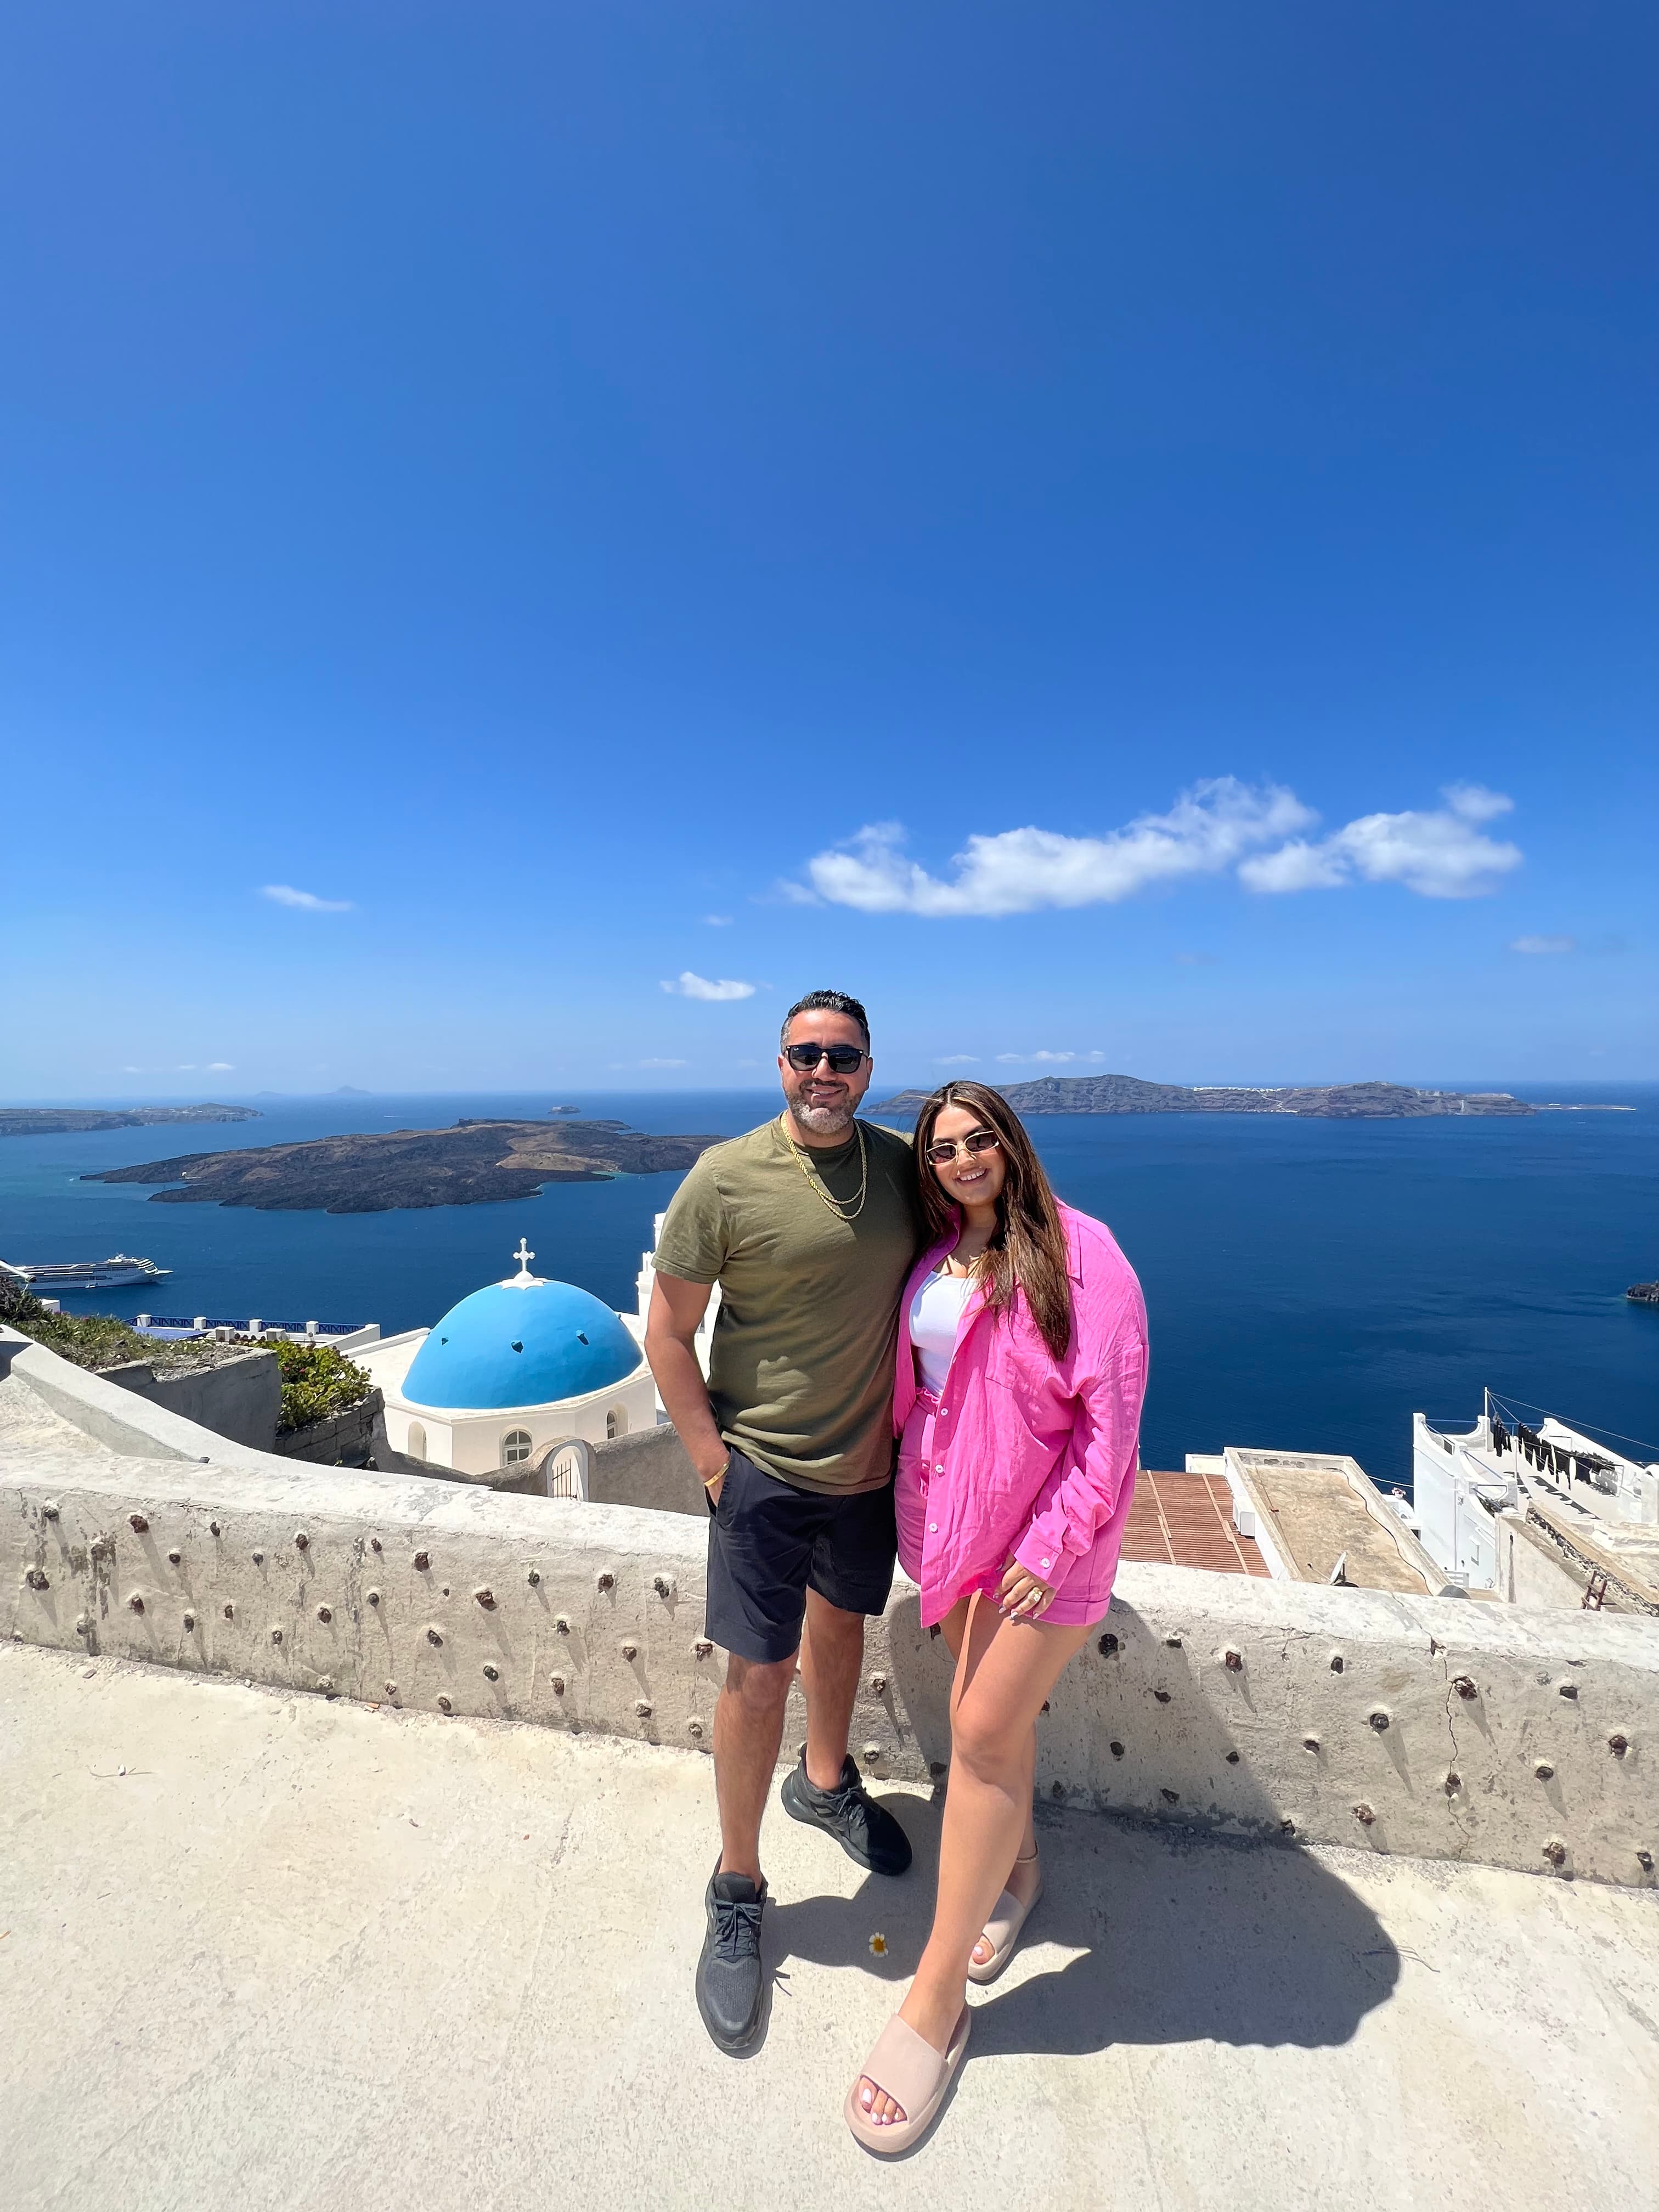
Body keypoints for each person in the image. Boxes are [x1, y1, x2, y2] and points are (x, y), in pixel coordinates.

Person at [845, 1079, 1148, 2154]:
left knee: (976, 1734)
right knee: (994, 1725)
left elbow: (1108, 1435)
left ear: (1011, 1147)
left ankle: (934, 2003)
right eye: (943, 1149)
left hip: (1051, 1547)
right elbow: (932, 1399)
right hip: (962, 1532)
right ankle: (1016, 1874)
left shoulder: (1084, 1256)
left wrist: (1050, 1543)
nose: (963, 1160)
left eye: (980, 1141)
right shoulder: (937, 1259)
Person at [645, 989, 923, 2056]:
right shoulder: (725, 1176)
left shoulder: (900, 1167)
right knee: (757, 1674)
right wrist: (716, 1466)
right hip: (760, 1472)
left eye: (842, 1056)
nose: (824, 1071)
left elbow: (988, 1234)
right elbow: (668, 1332)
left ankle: (824, 1786)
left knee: (843, 1628)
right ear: (779, 1065)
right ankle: (740, 1882)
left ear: (867, 1067)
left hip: (868, 1474)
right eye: (806, 1054)